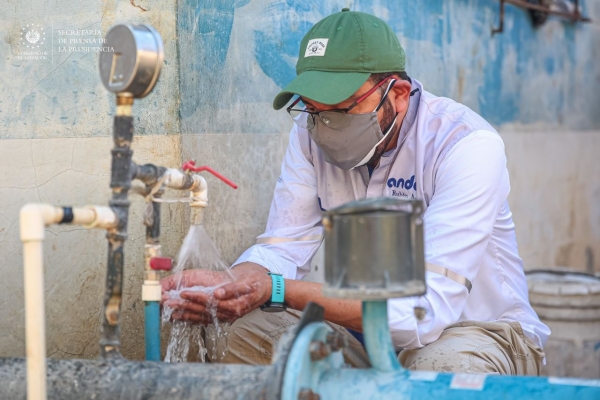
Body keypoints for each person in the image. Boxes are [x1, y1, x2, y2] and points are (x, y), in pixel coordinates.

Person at [162, 8, 549, 375]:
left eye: (343, 108)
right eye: (313, 109)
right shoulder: (311, 133)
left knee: (439, 369)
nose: (326, 124)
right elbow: (283, 247)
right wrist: (235, 281)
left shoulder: (466, 144)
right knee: (230, 328)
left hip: (473, 332)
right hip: (362, 332)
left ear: (396, 93)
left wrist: (276, 289)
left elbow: (424, 312)